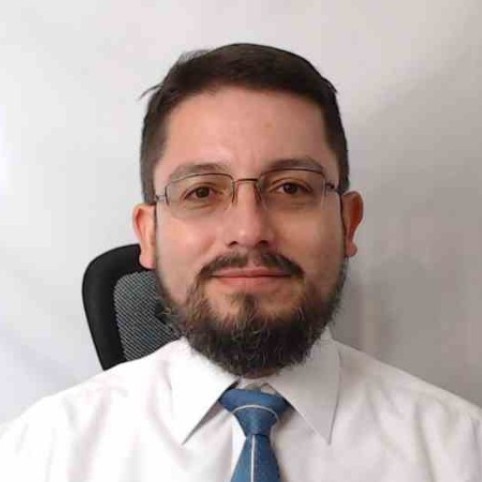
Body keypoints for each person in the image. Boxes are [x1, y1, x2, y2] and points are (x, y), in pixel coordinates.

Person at [0, 43, 480, 481]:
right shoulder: (39, 455)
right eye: (201, 192)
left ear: (347, 222)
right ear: (149, 233)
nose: (249, 231)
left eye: (291, 187)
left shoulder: (461, 454)